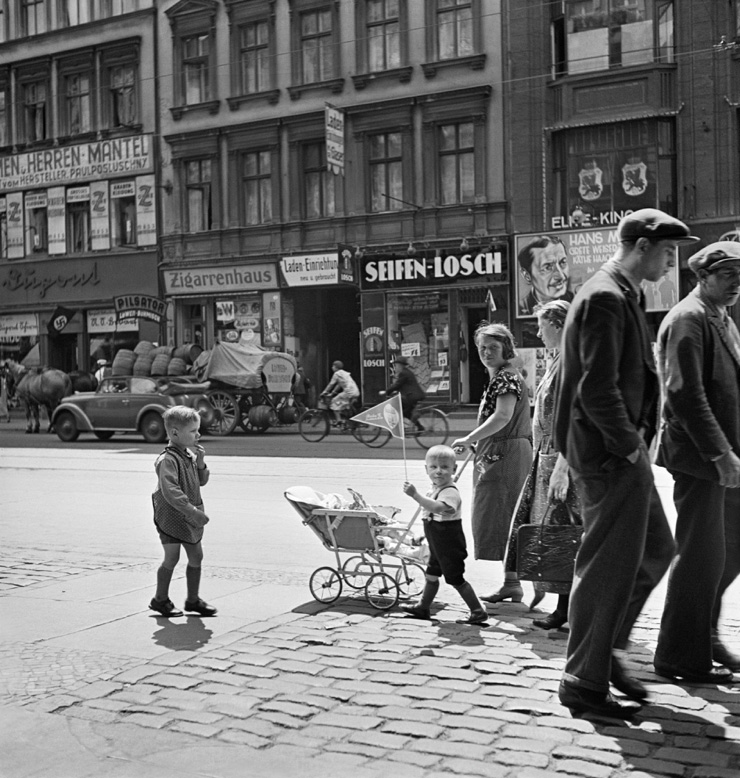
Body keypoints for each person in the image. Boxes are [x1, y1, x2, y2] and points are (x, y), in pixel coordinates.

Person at [552, 208, 698, 719]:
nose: (670, 260)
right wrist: (631, 448)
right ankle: (584, 680)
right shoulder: (607, 297)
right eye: (667, 251)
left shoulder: (620, 292)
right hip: (609, 455)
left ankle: (604, 649)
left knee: (657, 548)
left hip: (613, 452)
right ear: (641, 246)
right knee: (607, 566)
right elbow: (597, 389)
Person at [653, 241, 740, 683]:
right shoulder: (689, 317)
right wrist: (719, 452)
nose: (737, 284)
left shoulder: (719, 317)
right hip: (701, 459)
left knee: (728, 551)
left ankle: (703, 635)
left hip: (723, 457)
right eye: (728, 276)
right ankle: (679, 656)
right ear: (702, 277)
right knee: (701, 555)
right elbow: (685, 393)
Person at [504, 300, 582, 630]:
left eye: (542, 325)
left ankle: (566, 606)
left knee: (561, 533)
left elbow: (574, 418)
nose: (538, 332)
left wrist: (562, 464)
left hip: (559, 461)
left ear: (559, 324)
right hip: (545, 458)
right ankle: (559, 602)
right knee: (549, 532)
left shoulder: (570, 361)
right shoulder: (558, 359)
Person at [451, 323, 532, 601]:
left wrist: (469, 438)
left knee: (503, 515)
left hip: (506, 453)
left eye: (493, 347)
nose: (486, 352)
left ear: (506, 349)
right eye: (482, 347)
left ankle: (513, 582)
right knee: (501, 517)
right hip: (500, 452)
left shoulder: (505, 378)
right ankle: (511, 582)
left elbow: (502, 416)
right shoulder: (501, 376)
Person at [401, 445, 488, 625]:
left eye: (445, 467)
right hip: (437, 545)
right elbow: (429, 517)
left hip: (449, 546)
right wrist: (422, 535)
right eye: (433, 467)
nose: (438, 471)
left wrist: (415, 495)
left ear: (454, 469)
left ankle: (477, 611)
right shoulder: (432, 490)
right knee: (431, 574)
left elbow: (437, 508)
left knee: (455, 578)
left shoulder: (450, 492)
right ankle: (423, 607)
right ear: (426, 469)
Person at [150, 406, 217, 618]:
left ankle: (192, 600)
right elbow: (171, 491)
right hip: (172, 516)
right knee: (172, 557)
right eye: (193, 431)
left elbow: (201, 482)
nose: (198, 434)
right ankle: (160, 599)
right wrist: (192, 512)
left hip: (189, 514)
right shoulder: (167, 460)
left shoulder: (187, 454)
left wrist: (200, 463)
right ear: (175, 433)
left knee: (196, 555)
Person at [518, 236, 574, 316]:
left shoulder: (577, 303)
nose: (561, 276)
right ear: (527, 275)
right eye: (547, 267)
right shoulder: (521, 308)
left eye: (563, 262)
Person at [387, 356, 426, 430]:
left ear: (400, 365)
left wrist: (387, 392)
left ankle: (418, 427)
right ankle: (419, 427)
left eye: (396, 365)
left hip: (412, 397)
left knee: (404, 411)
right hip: (414, 395)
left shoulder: (403, 373)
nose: (395, 367)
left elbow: (397, 385)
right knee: (407, 412)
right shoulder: (407, 372)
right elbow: (403, 385)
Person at [321, 360, 360, 425]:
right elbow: (339, 385)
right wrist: (333, 393)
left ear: (336, 367)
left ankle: (338, 420)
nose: (332, 367)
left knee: (333, 401)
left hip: (349, 392)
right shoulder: (344, 373)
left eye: (333, 366)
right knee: (344, 404)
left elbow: (331, 384)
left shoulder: (337, 374)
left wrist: (324, 392)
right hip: (355, 391)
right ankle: (348, 420)